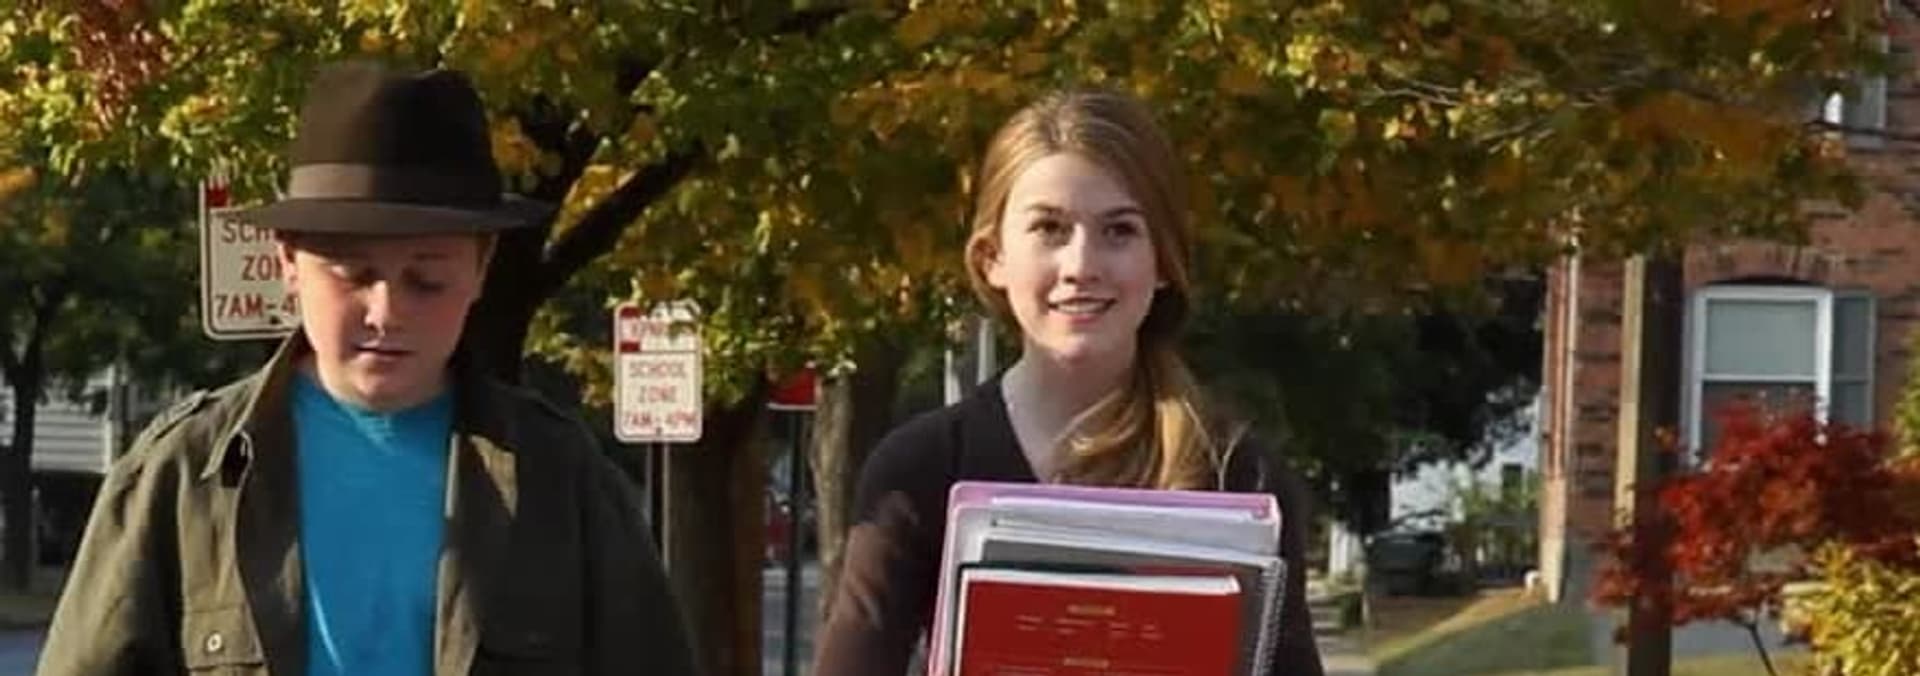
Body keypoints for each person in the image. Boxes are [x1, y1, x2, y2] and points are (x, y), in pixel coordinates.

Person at [37, 61, 697, 676]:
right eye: (353, 275)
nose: (387, 312)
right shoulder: (183, 474)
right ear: (287, 262)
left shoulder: (560, 477)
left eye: (426, 281)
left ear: (481, 268)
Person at [811, 88, 1327, 676]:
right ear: (992, 258)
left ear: (1163, 260)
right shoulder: (920, 468)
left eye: (1119, 231)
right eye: (1050, 228)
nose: (1082, 266)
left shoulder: (1238, 474)